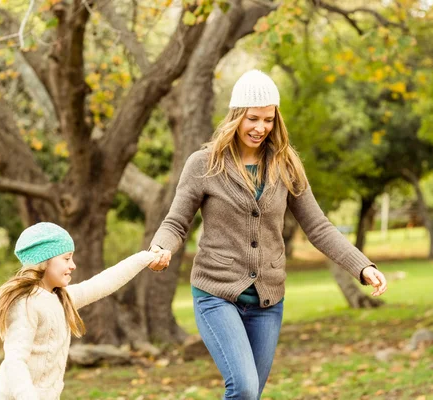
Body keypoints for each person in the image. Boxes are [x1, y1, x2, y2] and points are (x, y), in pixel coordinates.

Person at [147, 69, 388, 399]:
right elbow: (175, 223)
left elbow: (318, 227)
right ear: (235, 117)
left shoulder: (286, 166)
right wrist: (161, 248)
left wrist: (363, 266)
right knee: (243, 388)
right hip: (216, 293)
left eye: (268, 120)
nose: (261, 128)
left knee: (252, 395)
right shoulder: (204, 164)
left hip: (267, 300)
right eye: (253, 119)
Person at [0, 222, 157, 399]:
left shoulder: (62, 298)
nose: (73, 265)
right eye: (67, 258)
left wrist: (145, 258)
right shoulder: (25, 303)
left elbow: (103, 283)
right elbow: (15, 361)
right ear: (44, 261)